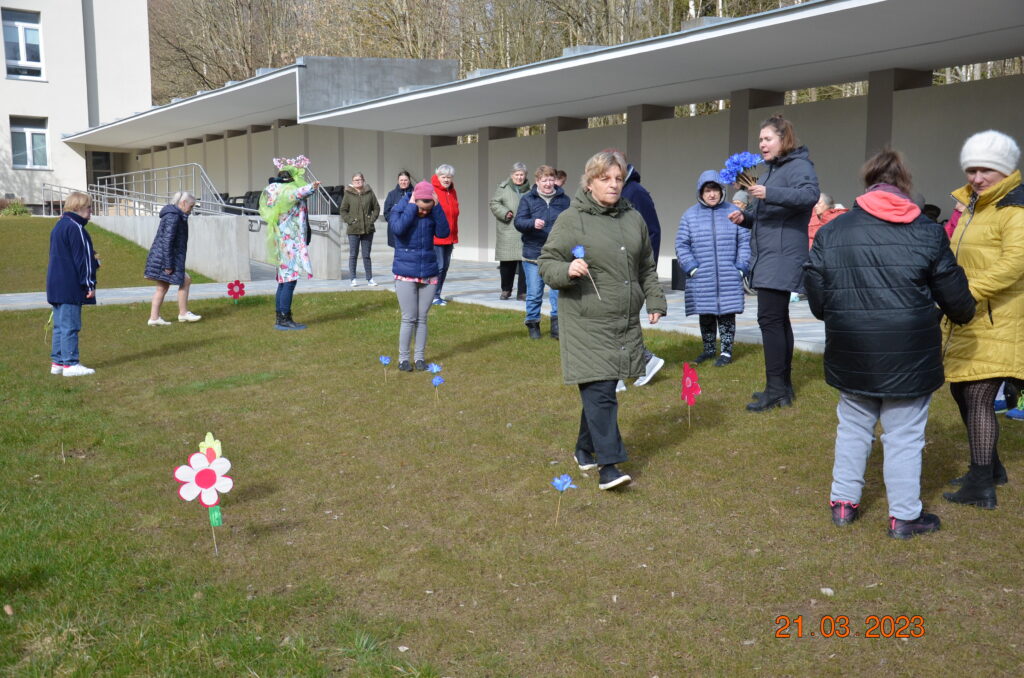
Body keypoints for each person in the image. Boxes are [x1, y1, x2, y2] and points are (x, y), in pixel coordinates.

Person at [805, 148, 975, 539]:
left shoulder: (833, 231)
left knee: (853, 426)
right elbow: (958, 302)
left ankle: (844, 503)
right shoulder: (928, 232)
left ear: (869, 184)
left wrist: (838, 314)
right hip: (909, 355)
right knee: (904, 435)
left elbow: (816, 295)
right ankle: (903, 516)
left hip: (852, 349)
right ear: (904, 185)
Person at [539, 149, 667, 491]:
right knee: (601, 390)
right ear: (590, 181)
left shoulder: (632, 218)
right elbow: (547, 263)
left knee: (604, 386)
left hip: (622, 319)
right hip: (585, 319)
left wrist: (654, 298)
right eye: (605, 178)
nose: (613, 185)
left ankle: (585, 448)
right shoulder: (571, 219)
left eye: (618, 179)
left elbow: (645, 267)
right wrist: (567, 269)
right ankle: (609, 465)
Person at [941, 130, 1024, 510]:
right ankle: (991, 468)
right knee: (962, 389)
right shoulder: (975, 206)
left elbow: (1015, 263)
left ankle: (980, 484)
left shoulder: (1014, 207)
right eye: (971, 169)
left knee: (977, 394)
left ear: (1005, 170)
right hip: (969, 316)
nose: (976, 177)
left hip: (997, 317)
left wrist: (967, 292)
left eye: (986, 170)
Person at [728, 114, 820, 412]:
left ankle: (776, 388)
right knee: (778, 320)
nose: (762, 144)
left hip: (783, 256)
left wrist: (769, 192)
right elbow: (769, 215)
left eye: (767, 139)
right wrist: (746, 218)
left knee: (769, 320)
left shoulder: (799, 166)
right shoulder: (770, 171)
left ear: (784, 139)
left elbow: (809, 196)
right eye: (760, 140)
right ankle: (782, 388)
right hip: (770, 254)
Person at [675, 170, 750, 367]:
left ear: (721, 191)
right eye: (707, 190)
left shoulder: (734, 212)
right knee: (706, 313)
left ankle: (726, 352)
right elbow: (682, 245)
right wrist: (692, 269)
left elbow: (744, 241)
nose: (712, 194)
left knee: (727, 314)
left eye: (715, 189)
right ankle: (708, 349)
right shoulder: (689, 216)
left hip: (728, 275)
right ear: (700, 192)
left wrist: (740, 268)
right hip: (702, 277)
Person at [389, 181, 450, 371]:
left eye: (427, 209)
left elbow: (443, 232)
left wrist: (437, 208)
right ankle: (403, 359)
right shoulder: (400, 209)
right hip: (405, 272)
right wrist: (411, 208)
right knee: (409, 317)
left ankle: (420, 358)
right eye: (421, 209)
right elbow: (398, 229)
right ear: (415, 200)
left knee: (422, 317)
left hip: (429, 272)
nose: (423, 212)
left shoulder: (433, 211)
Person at [258, 155, 320, 330]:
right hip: (289, 242)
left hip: (281, 240)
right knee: (290, 280)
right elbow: (297, 193)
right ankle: (284, 317)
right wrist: (312, 186)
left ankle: (280, 317)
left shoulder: (272, 190)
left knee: (283, 280)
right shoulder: (286, 191)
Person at [620, 162, 666, 387]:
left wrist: (647, 269)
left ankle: (643, 363)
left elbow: (652, 232)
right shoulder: (618, 191)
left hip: (631, 270)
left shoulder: (635, 192)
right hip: (615, 269)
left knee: (619, 321)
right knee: (617, 321)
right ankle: (639, 365)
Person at [47, 191, 100, 377]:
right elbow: (84, 259)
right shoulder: (76, 227)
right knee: (70, 325)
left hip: (55, 283)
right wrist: (89, 284)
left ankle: (58, 362)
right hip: (70, 284)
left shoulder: (59, 225)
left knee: (60, 326)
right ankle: (70, 364)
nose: (91, 211)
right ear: (78, 208)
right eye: (88, 207)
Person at [514, 165, 569, 339]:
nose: (548, 183)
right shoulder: (527, 199)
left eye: (551, 179)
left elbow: (572, 223)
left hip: (557, 254)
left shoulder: (564, 200)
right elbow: (518, 222)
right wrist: (531, 223)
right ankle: (533, 324)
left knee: (557, 292)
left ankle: (557, 327)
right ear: (537, 181)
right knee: (535, 293)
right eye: (544, 180)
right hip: (533, 253)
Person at [144, 191, 200, 326]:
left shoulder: (175, 215)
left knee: (162, 287)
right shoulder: (174, 217)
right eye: (191, 206)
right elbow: (167, 241)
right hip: (165, 259)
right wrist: (168, 265)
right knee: (185, 280)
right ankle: (183, 313)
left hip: (163, 257)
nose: (191, 210)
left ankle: (154, 317)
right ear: (183, 203)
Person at [489, 162, 530, 300]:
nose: (519, 177)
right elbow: (494, 203)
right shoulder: (503, 188)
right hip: (508, 229)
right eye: (517, 174)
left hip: (525, 230)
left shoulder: (531, 189)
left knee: (525, 263)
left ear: (525, 176)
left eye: (522, 175)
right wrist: (505, 213)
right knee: (507, 263)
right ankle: (506, 290)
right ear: (511, 175)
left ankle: (522, 292)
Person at [340, 172, 381, 286]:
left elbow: (376, 207)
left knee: (366, 255)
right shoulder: (348, 193)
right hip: (353, 230)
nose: (358, 181)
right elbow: (343, 210)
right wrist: (350, 221)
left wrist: (371, 219)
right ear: (352, 182)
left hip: (368, 229)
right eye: (355, 180)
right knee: (353, 255)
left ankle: (370, 279)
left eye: (360, 179)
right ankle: (353, 279)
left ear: (363, 180)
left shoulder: (369, 192)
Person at [430, 164, 459, 306]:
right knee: (439, 266)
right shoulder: (432, 191)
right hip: (437, 236)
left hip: (450, 236)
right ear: (438, 176)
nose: (446, 179)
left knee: (445, 266)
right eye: (443, 177)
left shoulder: (452, 192)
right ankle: (433, 295)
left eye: (449, 177)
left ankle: (437, 294)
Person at [383, 170, 414, 248]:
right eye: (401, 180)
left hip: (412, 229)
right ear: (398, 181)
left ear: (409, 181)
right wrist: (395, 223)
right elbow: (386, 212)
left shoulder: (415, 193)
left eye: (405, 180)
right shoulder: (391, 194)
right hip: (396, 230)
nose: (403, 182)